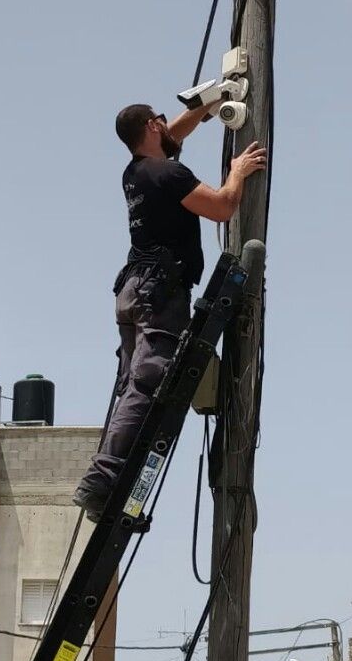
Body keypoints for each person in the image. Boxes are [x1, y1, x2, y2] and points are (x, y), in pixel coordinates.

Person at [72, 98, 266, 519]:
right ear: (152, 126)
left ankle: (103, 484)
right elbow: (221, 207)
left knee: (129, 388)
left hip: (131, 291)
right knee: (147, 383)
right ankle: (101, 481)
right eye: (161, 121)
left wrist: (209, 105)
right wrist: (237, 173)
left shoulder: (137, 173)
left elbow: (172, 133)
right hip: (160, 291)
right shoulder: (170, 173)